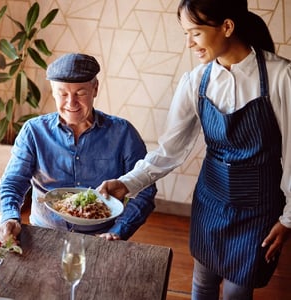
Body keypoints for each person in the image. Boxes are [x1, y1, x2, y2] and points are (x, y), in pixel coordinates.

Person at [98, 0, 291, 299]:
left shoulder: (282, 77)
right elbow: (170, 150)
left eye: (195, 33)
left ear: (227, 27)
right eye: (185, 33)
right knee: (202, 282)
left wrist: (288, 219)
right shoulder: (196, 81)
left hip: (259, 208)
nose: (189, 43)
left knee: (237, 292)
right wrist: (126, 183)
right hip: (210, 199)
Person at [0, 53, 157, 242]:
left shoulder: (123, 133)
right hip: (44, 233)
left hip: (101, 237)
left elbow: (145, 190)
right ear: (53, 92)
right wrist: (9, 217)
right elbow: (12, 183)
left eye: (80, 93)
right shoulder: (34, 131)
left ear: (95, 89)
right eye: (63, 94)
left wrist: (118, 230)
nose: (71, 103)